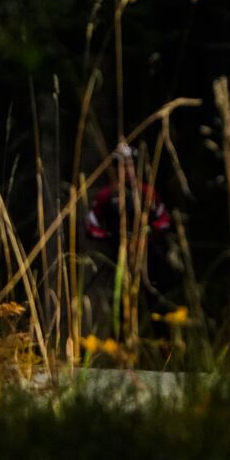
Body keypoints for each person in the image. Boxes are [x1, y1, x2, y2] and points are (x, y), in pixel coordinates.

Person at [84, 141, 180, 332]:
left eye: (130, 164)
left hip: (149, 258)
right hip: (118, 259)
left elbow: (164, 220)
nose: (127, 170)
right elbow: (91, 226)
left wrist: (148, 232)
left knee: (157, 303)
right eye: (122, 165)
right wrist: (112, 236)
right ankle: (122, 348)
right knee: (119, 304)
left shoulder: (147, 192)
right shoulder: (106, 196)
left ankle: (164, 350)